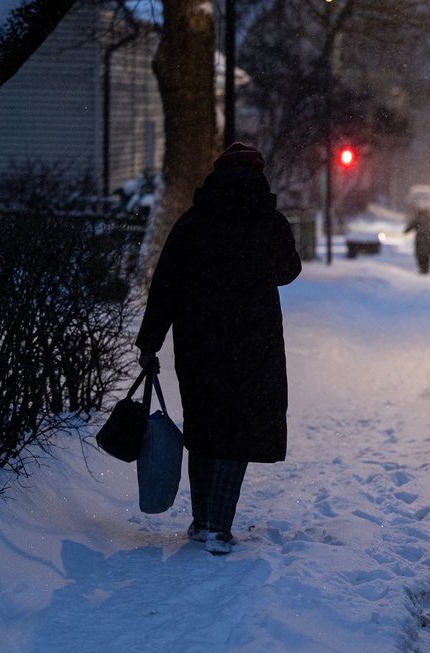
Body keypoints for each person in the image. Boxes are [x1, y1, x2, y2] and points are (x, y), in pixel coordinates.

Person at [135, 143, 302, 555]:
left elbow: (166, 286)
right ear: (259, 176)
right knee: (238, 431)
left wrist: (149, 342)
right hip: (253, 344)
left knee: (205, 428)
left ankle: (201, 518)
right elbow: (288, 271)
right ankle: (219, 527)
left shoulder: (193, 223)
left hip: (199, 344)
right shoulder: (270, 223)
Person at [404, 207, 430, 274]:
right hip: (428, 243)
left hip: (419, 243)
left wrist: (407, 229)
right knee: (426, 257)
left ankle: (422, 271)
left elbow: (408, 229)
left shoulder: (418, 219)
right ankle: (425, 272)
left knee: (420, 257)